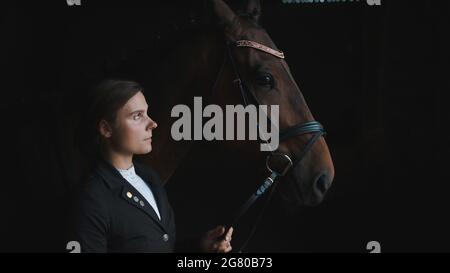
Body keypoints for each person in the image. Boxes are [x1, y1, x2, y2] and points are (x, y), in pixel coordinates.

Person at [70, 79, 233, 253]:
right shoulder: (91, 200)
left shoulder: (149, 177)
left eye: (146, 113)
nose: (153, 124)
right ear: (106, 129)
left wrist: (198, 247)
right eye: (137, 116)